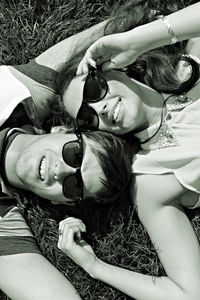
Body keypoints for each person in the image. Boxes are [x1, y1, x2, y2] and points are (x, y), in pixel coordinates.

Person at [53, 2, 200, 300]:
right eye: (87, 117)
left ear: (115, 68)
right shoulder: (152, 176)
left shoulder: (191, 63)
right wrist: (95, 267)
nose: (100, 108)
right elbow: (189, 293)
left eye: (94, 90)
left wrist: (139, 40)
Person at [0, 121, 133, 300]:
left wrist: (93, 265)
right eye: (75, 155)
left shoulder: (4, 219)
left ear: (59, 202)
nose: (60, 171)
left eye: (74, 185)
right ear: (63, 130)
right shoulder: (17, 101)